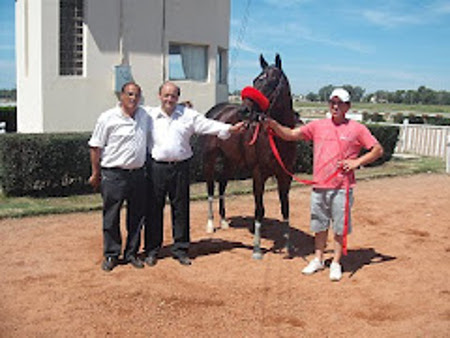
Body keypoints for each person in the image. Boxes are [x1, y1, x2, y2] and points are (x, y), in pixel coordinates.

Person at [265, 88, 383, 281]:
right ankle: (319, 259)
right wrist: (274, 125)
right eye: (332, 102)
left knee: (339, 227)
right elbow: (291, 134)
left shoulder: (357, 128)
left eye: (340, 103)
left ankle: (335, 262)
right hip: (319, 186)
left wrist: (356, 163)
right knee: (319, 225)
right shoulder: (317, 126)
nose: (335, 106)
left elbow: (377, 150)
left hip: (342, 188)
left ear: (347, 106)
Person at [144, 81, 245, 266]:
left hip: (180, 167)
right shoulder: (148, 115)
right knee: (153, 209)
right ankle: (152, 250)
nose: (169, 99)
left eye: (173, 96)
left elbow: (208, 125)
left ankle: (181, 249)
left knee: (181, 210)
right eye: (166, 95)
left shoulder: (188, 116)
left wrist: (230, 129)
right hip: (156, 168)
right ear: (159, 96)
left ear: (178, 98)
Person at [88, 82, 151, 272]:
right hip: (113, 174)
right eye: (130, 94)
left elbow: (167, 109)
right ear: (121, 96)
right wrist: (95, 173)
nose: (133, 98)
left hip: (138, 175)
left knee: (137, 216)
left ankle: (131, 253)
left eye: (137, 95)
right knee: (111, 216)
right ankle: (111, 254)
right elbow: (95, 147)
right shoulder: (107, 118)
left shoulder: (144, 115)